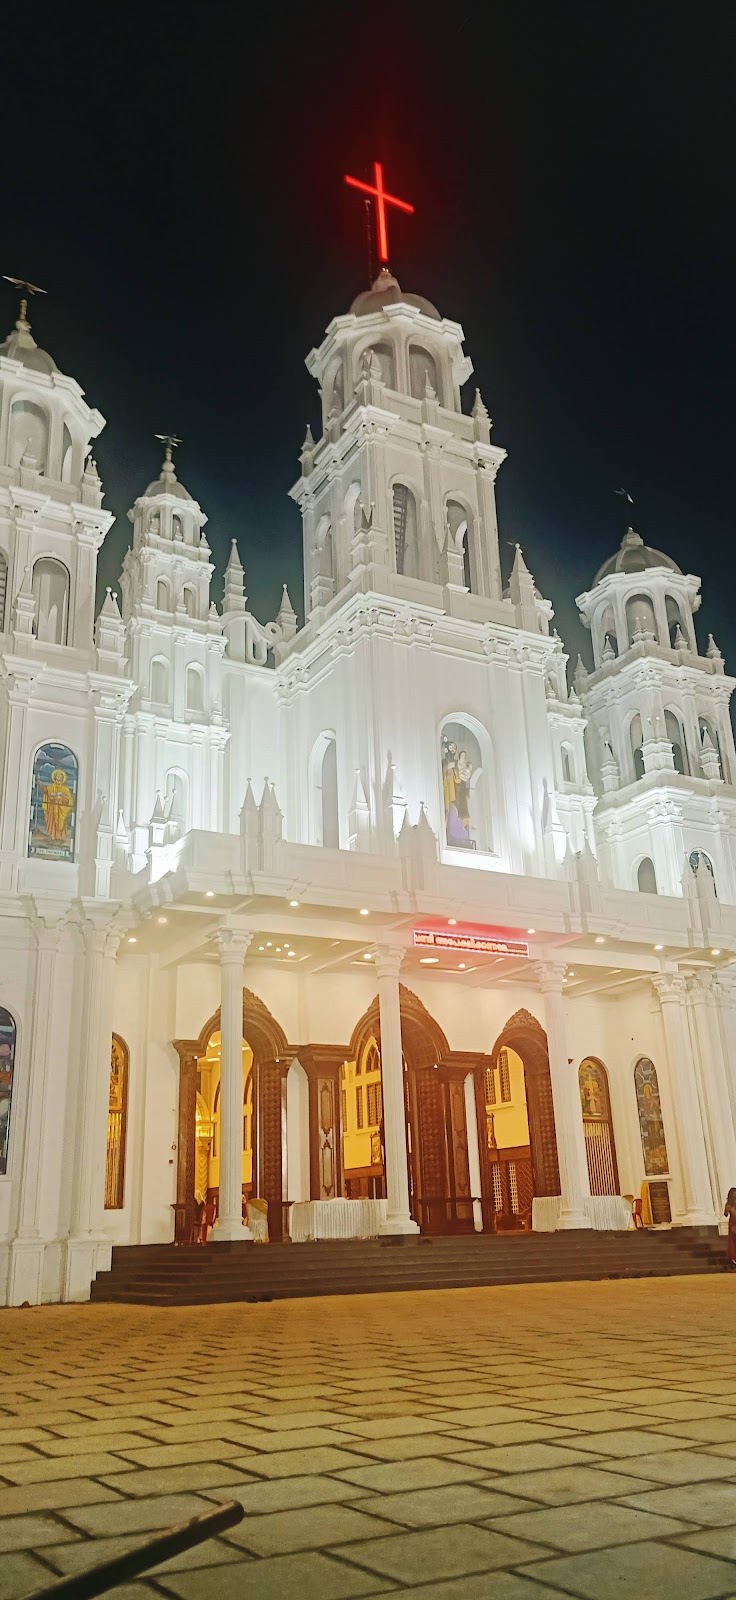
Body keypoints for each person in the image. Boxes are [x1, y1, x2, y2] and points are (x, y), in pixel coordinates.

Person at [724, 1188, 736, 1269]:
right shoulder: (728, 1205)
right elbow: (725, 1214)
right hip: (733, 1223)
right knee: (733, 1240)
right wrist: (728, 1209)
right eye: (734, 1193)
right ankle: (734, 1258)